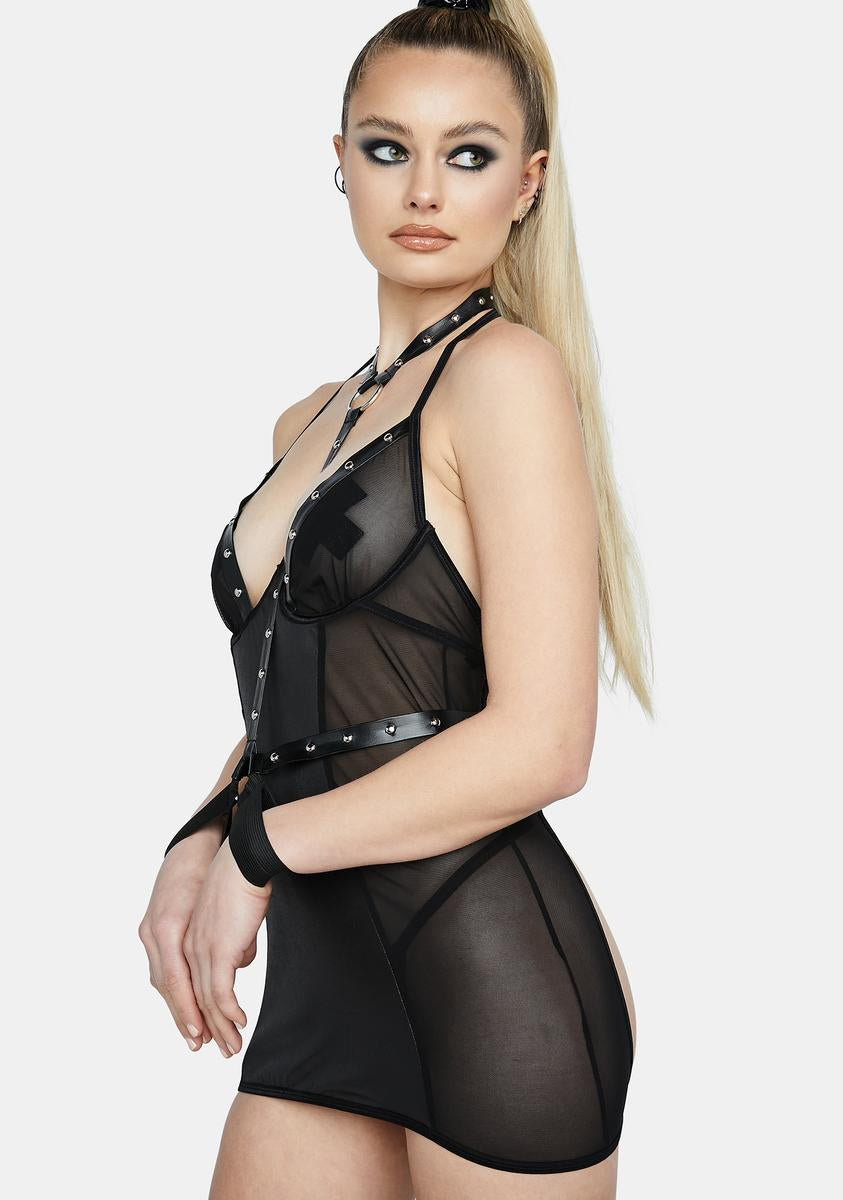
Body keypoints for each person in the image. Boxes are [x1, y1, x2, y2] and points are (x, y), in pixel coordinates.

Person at [138, 2, 653, 1196]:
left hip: (488, 976)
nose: (423, 189)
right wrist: (200, 835)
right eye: (388, 147)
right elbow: (316, 702)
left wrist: (257, 852)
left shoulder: (505, 375)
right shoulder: (306, 420)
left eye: (468, 154)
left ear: (527, 183)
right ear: (340, 161)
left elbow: (543, 741)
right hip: (324, 983)